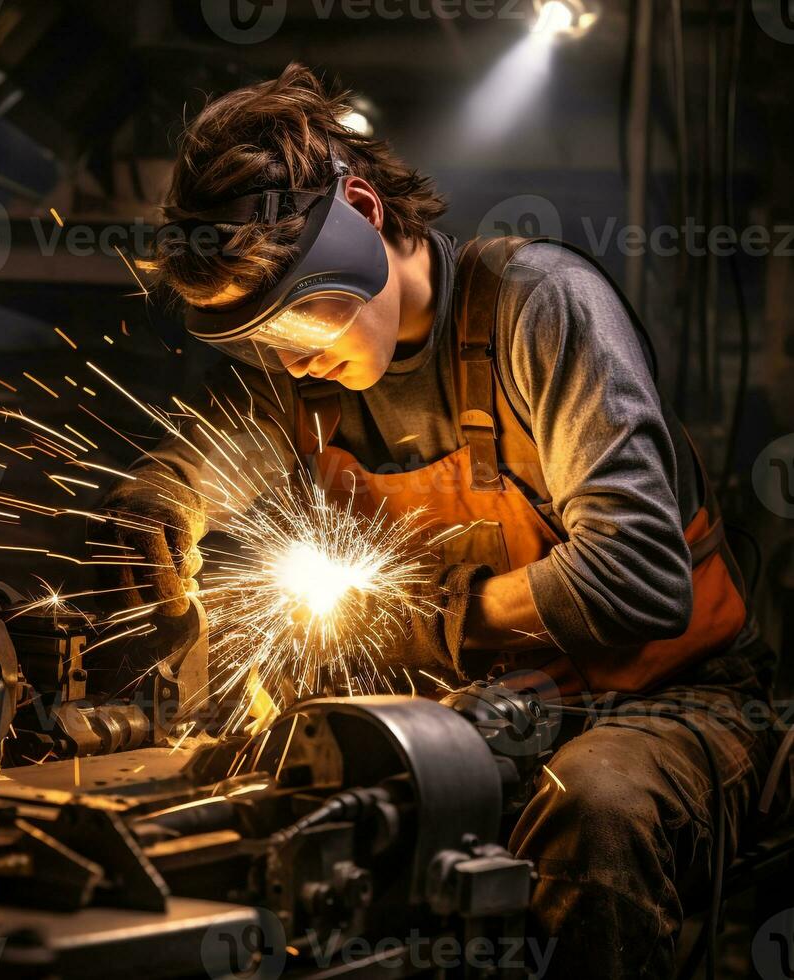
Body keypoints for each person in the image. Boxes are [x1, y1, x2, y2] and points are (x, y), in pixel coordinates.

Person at [98, 64, 790, 978]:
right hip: (478, 712)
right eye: (263, 341)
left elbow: (640, 578)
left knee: (592, 805)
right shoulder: (308, 379)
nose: (294, 364)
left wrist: (437, 616)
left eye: (301, 323)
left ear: (363, 210)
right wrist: (163, 495)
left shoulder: (535, 308)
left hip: (665, 702)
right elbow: (224, 456)